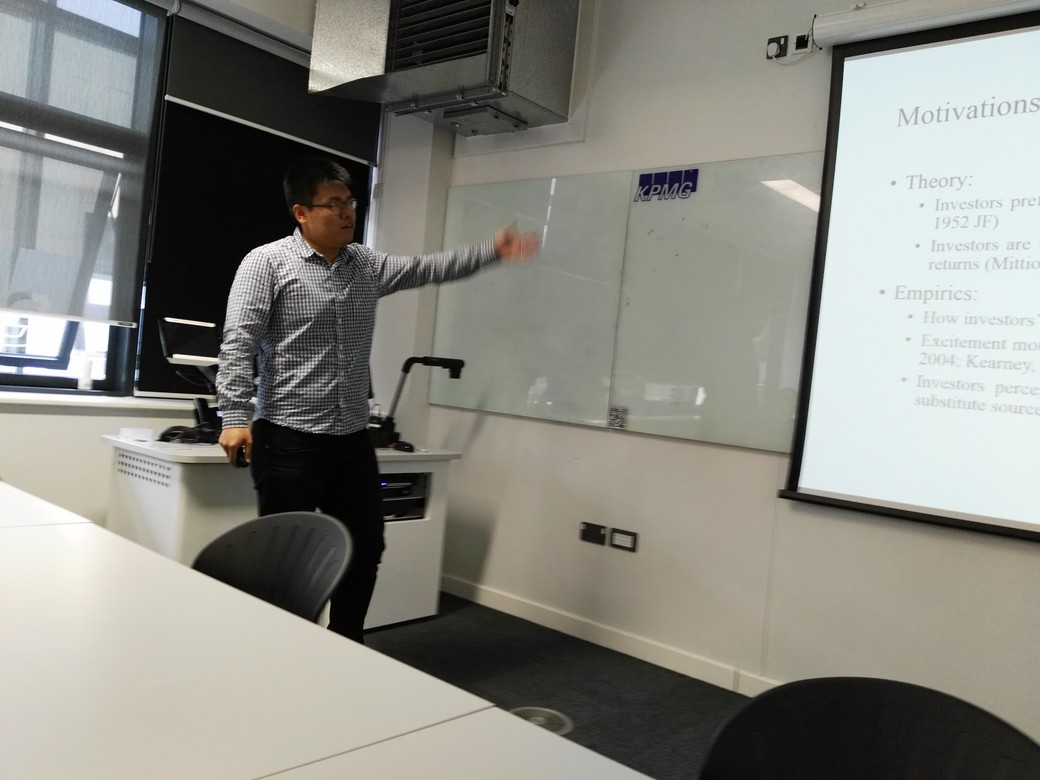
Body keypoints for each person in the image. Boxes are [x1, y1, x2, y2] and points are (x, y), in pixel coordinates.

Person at [216, 156, 538, 642]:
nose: (347, 212)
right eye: (333, 204)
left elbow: (427, 268)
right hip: (287, 440)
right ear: (301, 212)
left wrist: (490, 251)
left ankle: (347, 644)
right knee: (287, 557)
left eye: (350, 202)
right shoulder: (266, 263)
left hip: (350, 440)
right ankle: (281, 649)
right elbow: (238, 343)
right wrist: (234, 416)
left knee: (365, 547)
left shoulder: (364, 265)